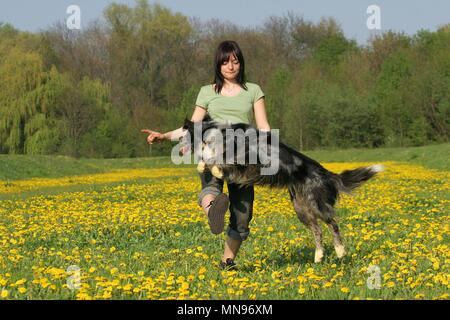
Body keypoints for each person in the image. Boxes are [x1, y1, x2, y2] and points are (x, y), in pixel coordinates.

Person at [141, 40, 271, 269]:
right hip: (211, 152)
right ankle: (213, 211)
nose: (230, 67)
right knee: (211, 189)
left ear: (241, 63)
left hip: (242, 158)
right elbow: (192, 127)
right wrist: (164, 136)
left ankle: (227, 262)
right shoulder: (207, 92)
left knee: (243, 213)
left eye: (235, 61)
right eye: (225, 62)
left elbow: (264, 127)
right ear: (218, 65)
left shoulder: (254, 90)